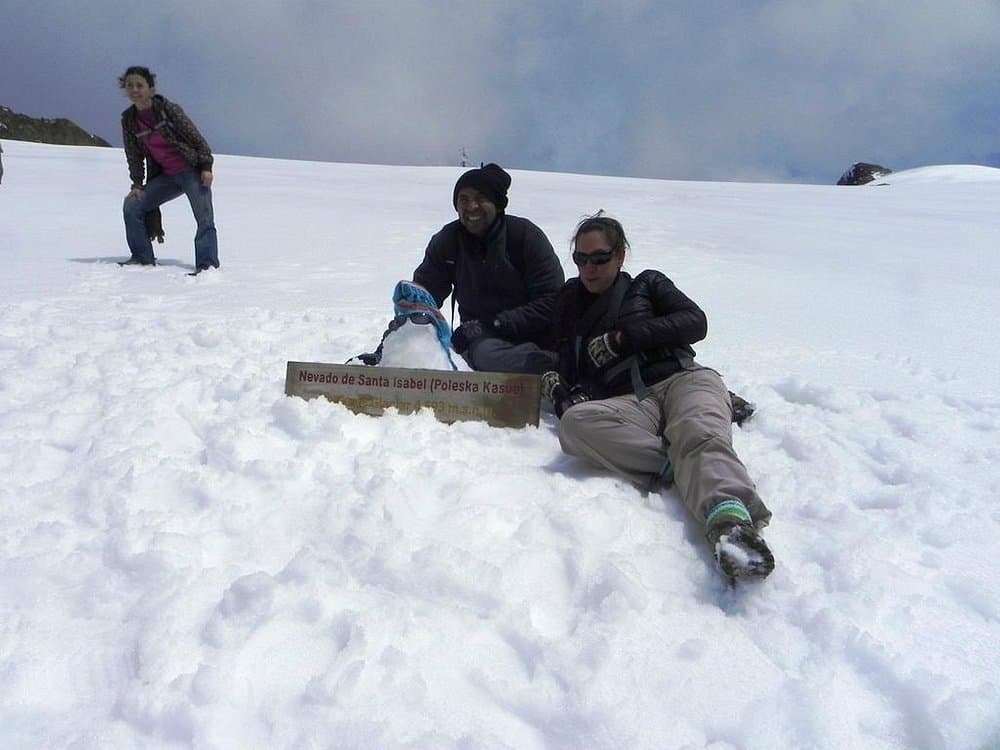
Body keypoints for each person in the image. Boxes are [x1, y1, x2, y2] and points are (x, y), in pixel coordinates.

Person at [541, 213, 775, 582]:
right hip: (634, 402)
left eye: (599, 258)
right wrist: (559, 389)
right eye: (581, 260)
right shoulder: (569, 307)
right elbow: (569, 370)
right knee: (575, 425)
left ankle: (730, 525)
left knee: (697, 431)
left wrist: (623, 339)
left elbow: (694, 322)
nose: (589, 268)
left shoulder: (647, 285)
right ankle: (678, 464)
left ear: (620, 257)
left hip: (682, 377)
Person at [412, 163, 565, 373]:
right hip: (479, 341)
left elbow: (553, 301)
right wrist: (392, 345)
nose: (471, 206)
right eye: (463, 199)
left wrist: (495, 324)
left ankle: (556, 366)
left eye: (481, 198)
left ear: (498, 204)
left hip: (535, 338)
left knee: (485, 356)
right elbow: (420, 301)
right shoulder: (448, 242)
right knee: (442, 352)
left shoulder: (525, 236)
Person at [119, 66, 219, 275]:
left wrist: (206, 167)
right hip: (166, 176)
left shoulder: (168, 110)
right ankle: (142, 258)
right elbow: (134, 155)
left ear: (151, 88)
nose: (134, 90)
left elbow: (196, 139)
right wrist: (137, 184)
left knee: (204, 218)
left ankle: (207, 266)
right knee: (132, 206)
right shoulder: (129, 119)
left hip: (191, 170)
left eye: (139, 85)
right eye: (130, 85)